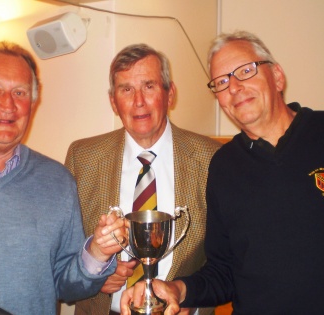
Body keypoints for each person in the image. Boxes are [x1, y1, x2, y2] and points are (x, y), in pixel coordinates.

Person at [121, 31, 324, 315]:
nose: (234, 87)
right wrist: (177, 289)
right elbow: (224, 270)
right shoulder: (224, 165)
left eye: (245, 71)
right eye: (222, 82)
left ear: (277, 76)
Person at [0, 41, 126, 315]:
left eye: (19, 92)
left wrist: (97, 252)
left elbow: (67, 286)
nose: (8, 105)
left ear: (33, 102)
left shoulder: (58, 181)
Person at [65, 43, 221, 315]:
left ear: (169, 94)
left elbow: (224, 257)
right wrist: (95, 273)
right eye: (126, 89)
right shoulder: (83, 157)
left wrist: (191, 300)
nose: (138, 101)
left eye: (149, 86)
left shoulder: (211, 159)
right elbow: (62, 253)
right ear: (113, 101)